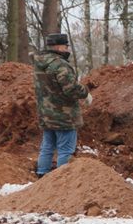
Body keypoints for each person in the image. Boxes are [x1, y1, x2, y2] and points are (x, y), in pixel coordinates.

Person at [32, 33, 94, 177]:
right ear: (59, 47)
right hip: (64, 116)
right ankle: (62, 181)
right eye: (66, 46)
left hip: (46, 114)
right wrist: (85, 93)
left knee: (47, 147)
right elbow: (70, 89)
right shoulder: (60, 65)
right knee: (65, 149)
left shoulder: (39, 64)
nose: (68, 49)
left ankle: (42, 174)